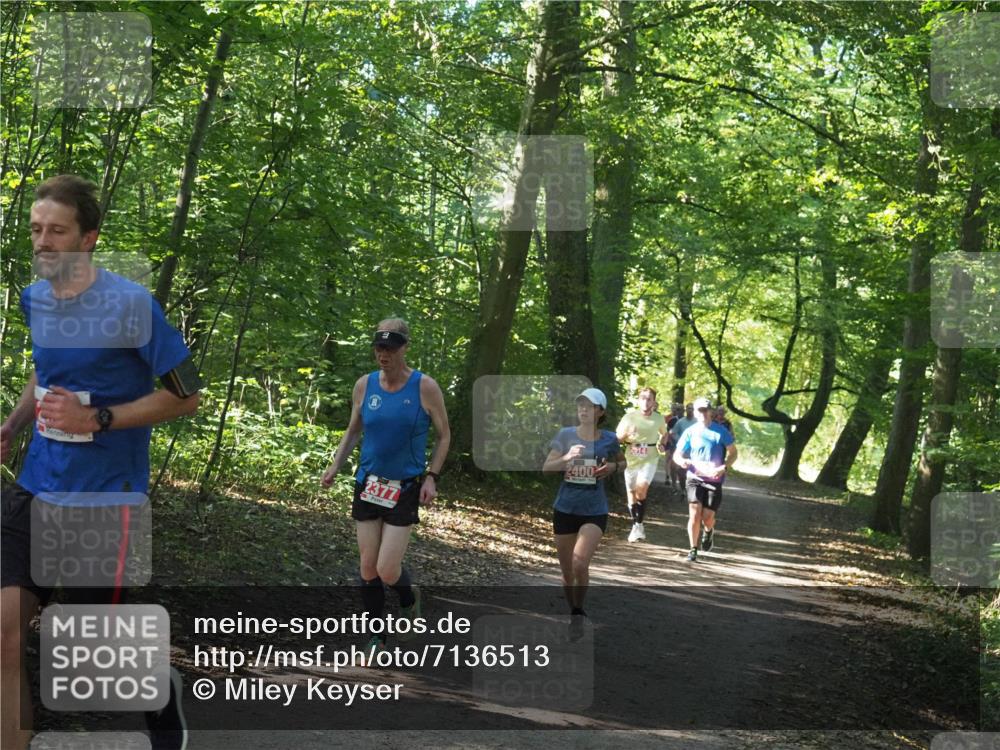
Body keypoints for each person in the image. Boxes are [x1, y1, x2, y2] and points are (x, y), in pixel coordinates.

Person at [1, 175, 202, 750]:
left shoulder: (131, 305)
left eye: (57, 231)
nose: (43, 242)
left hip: (105, 497)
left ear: (88, 239)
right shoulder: (36, 298)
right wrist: (13, 425)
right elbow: (47, 371)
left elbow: (187, 396)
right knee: (4, 635)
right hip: (36, 486)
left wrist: (99, 418)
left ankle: (158, 689)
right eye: (36, 229)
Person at [321, 318, 449, 662]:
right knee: (368, 568)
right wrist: (335, 465)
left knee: (387, 570)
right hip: (368, 483)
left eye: (391, 347)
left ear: (405, 347)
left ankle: (409, 597)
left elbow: (444, 436)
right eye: (379, 347)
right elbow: (353, 431)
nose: (384, 354)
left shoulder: (425, 387)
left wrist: (432, 477)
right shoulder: (364, 385)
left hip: (404, 487)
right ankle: (376, 637)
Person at [543, 388, 624, 640]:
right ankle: (575, 613)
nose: (584, 410)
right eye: (581, 405)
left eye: (589, 406)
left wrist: (613, 467)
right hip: (565, 508)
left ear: (600, 411)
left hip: (594, 510)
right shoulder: (565, 435)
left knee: (579, 562)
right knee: (567, 572)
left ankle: (578, 611)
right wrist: (566, 457)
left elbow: (623, 462)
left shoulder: (609, 439)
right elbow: (546, 468)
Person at [673, 397, 737, 562]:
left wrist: (724, 467)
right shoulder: (690, 431)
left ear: (711, 412)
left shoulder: (720, 431)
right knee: (694, 513)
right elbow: (677, 455)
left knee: (707, 517)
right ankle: (693, 550)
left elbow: (733, 453)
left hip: (714, 479)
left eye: (705, 410)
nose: (702, 413)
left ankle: (708, 531)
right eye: (699, 410)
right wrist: (682, 461)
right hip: (694, 477)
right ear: (695, 412)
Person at [615, 387, 667, 542]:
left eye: (649, 399)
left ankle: (638, 524)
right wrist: (627, 434)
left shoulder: (658, 418)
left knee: (641, 489)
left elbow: (664, 434)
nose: (646, 401)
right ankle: (637, 525)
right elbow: (617, 439)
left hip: (650, 458)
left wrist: (662, 443)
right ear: (638, 400)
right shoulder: (629, 417)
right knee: (631, 493)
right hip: (631, 459)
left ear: (654, 402)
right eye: (643, 398)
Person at [667, 402, 695, 492]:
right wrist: (681, 440)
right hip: (682, 450)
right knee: (680, 471)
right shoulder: (681, 422)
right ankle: (682, 488)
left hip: (694, 450)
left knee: (692, 471)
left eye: (692, 408)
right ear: (686, 410)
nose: (690, 410)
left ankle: (691, 489)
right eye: (688, 408)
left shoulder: (698, 422)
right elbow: (673, 432)